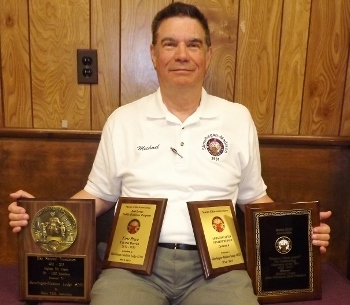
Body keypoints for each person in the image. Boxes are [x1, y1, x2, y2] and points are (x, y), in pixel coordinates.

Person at [8, 3, 331, 305]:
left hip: (219, 269)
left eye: (193, 44)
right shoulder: (123, 119)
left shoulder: (237, 118)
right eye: (169, 44)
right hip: (132, 266)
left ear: (208, 54)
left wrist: (302, 233)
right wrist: (42, 216)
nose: (181, 55)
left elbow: (253, 198)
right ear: (152, 53)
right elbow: (100, 194)